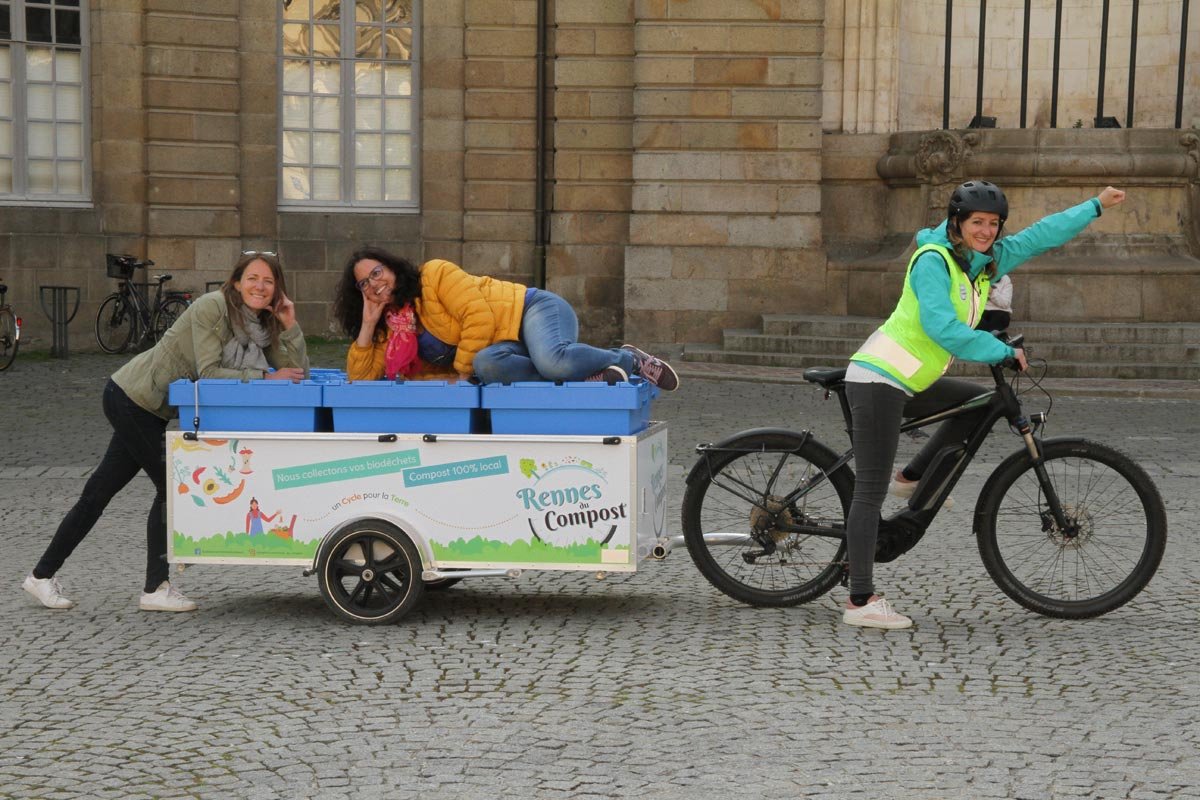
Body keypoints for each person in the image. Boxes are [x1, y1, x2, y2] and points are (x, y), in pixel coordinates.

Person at [841, 181, 1126, 630]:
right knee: (867, 491)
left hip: (912, 378)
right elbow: (941, 327)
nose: (987, 231)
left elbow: (1040, 236)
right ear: (957, 222)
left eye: (993, 224)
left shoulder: (982, 262)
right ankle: (860, 601)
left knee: (977, 403)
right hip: (879, 377)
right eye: (978, 222)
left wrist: (1094, 206)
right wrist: (999, 350)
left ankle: (910, 478)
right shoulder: (933, 261)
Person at [23, 252, 309, 612]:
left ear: (277, 289)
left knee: (98, 492)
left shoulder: (264, 325)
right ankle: (155, 588)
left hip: (151, 409)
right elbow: (209, 371)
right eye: (252, 278)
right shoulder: (213, 307)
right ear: (236, 281)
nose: (260, 286)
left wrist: (290, 324)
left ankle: (40, 577)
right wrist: (266, 376)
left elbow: (298, 374)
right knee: (169, 488)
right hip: (131, 397)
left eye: (268, 281)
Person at [332, 246, 680, 389]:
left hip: (531, 309)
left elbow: (479, 317)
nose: (374, 284)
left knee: (552, 362)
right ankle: (589, 373)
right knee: (488, 366)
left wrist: (462, 374)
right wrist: (367, 324)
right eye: (364, 283)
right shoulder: (391, 330)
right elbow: (360, 379)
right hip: (503, 348)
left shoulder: (434, 275)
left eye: (376, 273)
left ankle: (629, 359)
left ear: (391, 267)